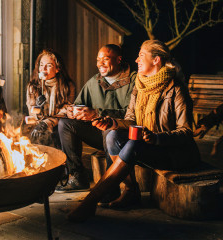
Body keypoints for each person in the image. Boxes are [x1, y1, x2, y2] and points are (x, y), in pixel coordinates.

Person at [67, 40, 201, 222]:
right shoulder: (140, 86)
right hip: (147, 145)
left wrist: (156, 138)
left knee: (134, 144)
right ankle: (130, 190)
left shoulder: (176, 89)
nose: (137, 60)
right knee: (112, 135)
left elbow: (186, 131)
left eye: (141, 55)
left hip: (174, 153)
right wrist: (112, 122)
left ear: (156, 60)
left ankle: (90, 202)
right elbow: (131, 120)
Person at [56, 44, 136, 192]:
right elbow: (79, 104)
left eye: (105, 59)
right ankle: (77, 176)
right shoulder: (95, 81)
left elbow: (132, 115)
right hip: (97, 133)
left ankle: (109, 186)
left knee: (109, 128)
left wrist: (97, 113)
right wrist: (73, 111)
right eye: (98, 59)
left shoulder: (134, 80)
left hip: (122, 136)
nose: (100, 64)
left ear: (119, 60)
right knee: (65, 124)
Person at [26, 49, 75, 148]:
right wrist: (37, 107)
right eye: (41, 65)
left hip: (59, 125)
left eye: (49, 65)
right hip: (39, 124)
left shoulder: (67, 86)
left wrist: (48, 123)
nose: (43, 69)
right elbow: (32, 115)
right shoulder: (33, 87)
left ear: (57, 69)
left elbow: (66, 111)